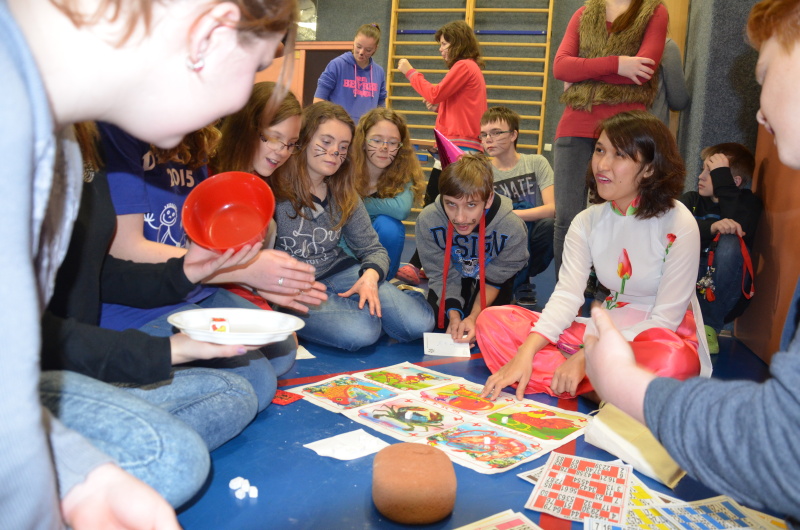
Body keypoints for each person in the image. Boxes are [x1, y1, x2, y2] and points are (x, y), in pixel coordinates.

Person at [1, 0, 297, 527]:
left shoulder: (65, 136)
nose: (235, 105)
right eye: (256, 66)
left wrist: (186, 274)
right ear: (209, 35)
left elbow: (76, 289)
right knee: (179, 453)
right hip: (48, 379)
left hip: (45, 374)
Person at [583, 11, 800, 511]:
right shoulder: (594, 220)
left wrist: (627, 385)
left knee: (667, 355)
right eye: (600, 152)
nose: (759, 113)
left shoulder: (681, 215)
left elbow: (781, 446)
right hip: (626, 332)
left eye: (765, 75)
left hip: (669, 327)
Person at [478, 111, 712, 401]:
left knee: (674, 363)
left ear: (650, 169)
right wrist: (525, 352)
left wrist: (586, 355)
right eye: (600, 150)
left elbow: (665, 320)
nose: (602, 164)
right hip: (604, 328)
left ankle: (578, 377)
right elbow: (567, 296)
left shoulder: (679, 221)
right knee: (492, 322)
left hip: (659, 337)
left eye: (619, 155)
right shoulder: (586, 221)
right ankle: (599, 387)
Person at [271, 101, 435, 351]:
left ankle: (400, 293)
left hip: (341, 272)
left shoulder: (343, 191)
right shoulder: (276, 188)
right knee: (361, 330)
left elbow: (373, 249)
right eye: (326, 142)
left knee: (419, 323)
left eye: (343, 146)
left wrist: (370, 276)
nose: (334, 152)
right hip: (295, 286)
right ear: (303, 139)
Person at [552, 0, 668, 278]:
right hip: (575, 126)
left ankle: (609, 291)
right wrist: (618, 64)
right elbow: (561, 67)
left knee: (618, 216)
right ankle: (566, 292)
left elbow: (643, 71)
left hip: (625, 131)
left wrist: (583, 73)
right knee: (566, 219)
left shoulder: (654, 11)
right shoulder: (584, 13)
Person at [396, 20, 488, 285]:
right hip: (457, 148)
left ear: (457, 43)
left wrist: (409, 71)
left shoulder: (464, 66)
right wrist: (441, 108)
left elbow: (435, 92)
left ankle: (419, 263)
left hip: (458, 150)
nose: (441, 49)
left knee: (436, 207)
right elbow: (460, 105)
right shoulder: (470, 69)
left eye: (444, 44)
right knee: (440, 206)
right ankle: (427, 263)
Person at [416, 154, 528, 345]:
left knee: (491, 327)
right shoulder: (429, 220)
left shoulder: (512, 227)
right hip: (454, 272)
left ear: (488, 199)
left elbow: (496, 278)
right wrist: (454, 315)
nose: (460, 218)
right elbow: (440, 274)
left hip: (492, 278)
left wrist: (475, 317)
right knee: (439, 320)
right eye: (451, 204)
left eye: (471, 205)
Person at [680, 143, 761, 353]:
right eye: (702, 169)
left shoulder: (749, 203)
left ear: (733, 181)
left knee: (731, 239)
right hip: (688, 283)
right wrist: (712, 227)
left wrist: (724, 183)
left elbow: (740, 227)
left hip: (722, 291)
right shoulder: (691, 200)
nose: (700, 177)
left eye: (711, 172)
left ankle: (708, 326)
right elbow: (671, 229)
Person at [479, 106, 555, 302]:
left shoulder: (536, 162)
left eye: (496, 132)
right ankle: (512, 280)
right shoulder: (482, 171)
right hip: (497, 237)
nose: (488, 139)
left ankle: (520, 278)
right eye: (484, 134)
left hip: (531, 236)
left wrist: (514, 215)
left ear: (513, 135)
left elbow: (552, 209)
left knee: (550, 226)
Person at [348, 107, 425, 280]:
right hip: (346, 249)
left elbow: (401, 209)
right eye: (376, 140)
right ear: (362, 141)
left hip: (379, 260)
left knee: (389, 226)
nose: (384, 147)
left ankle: (382, 281)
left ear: (400, 147)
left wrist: (358, 203)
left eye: (392, 142)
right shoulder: (347, 169)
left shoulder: (403, 172)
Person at [313, 23, 386, 124]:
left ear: (375, 49)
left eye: (368, 50)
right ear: (354, 41)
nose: (361, 52)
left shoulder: (379, 72)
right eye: (358, 46)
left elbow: (381, 107)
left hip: (365, 130)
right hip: (338, 128)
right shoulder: (337, 65)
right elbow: (318, 101)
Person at [648, 37, 690, 126]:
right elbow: (679, 102)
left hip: (618, 130)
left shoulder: (617, 53)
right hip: (653, 130)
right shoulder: (665, 46)